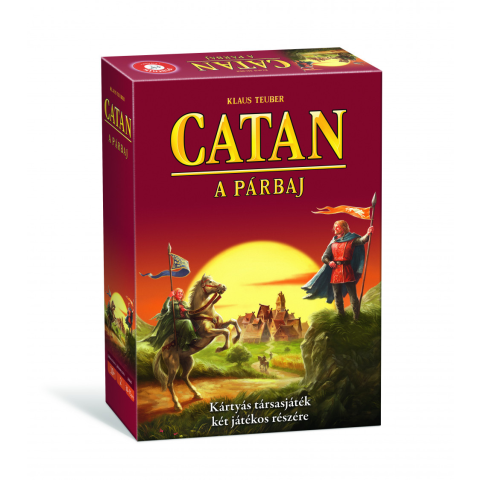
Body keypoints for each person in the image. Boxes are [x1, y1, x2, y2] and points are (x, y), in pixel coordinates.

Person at [302, 220, 373, 321]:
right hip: (335, 272)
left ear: (343, 228)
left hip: (347, 270)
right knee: (337, 295)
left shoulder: (351, 240)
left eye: (337, 227)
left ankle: (356, 318)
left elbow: (362, 240)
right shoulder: (333, 242)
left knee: (353, 295)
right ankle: (341, 317)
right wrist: (329, 262)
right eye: (334, 226)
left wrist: (368, 233)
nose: (335, 228)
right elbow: (324, 257)